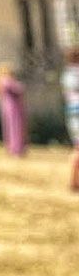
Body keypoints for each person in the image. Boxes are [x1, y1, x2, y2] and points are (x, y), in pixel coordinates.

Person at [0, 62, 27, 157]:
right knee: (16, 128)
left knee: (9, 128)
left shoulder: (0, 81)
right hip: (13, 108)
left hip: (6, 107)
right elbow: (19, 89)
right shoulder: (6, 80)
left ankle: (11, 148)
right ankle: (16, 148)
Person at [60, 49, 79, 192]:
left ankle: (74, 181)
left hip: (72, 114)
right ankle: (73, 181)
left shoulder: (66, 74)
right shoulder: (75, 74)